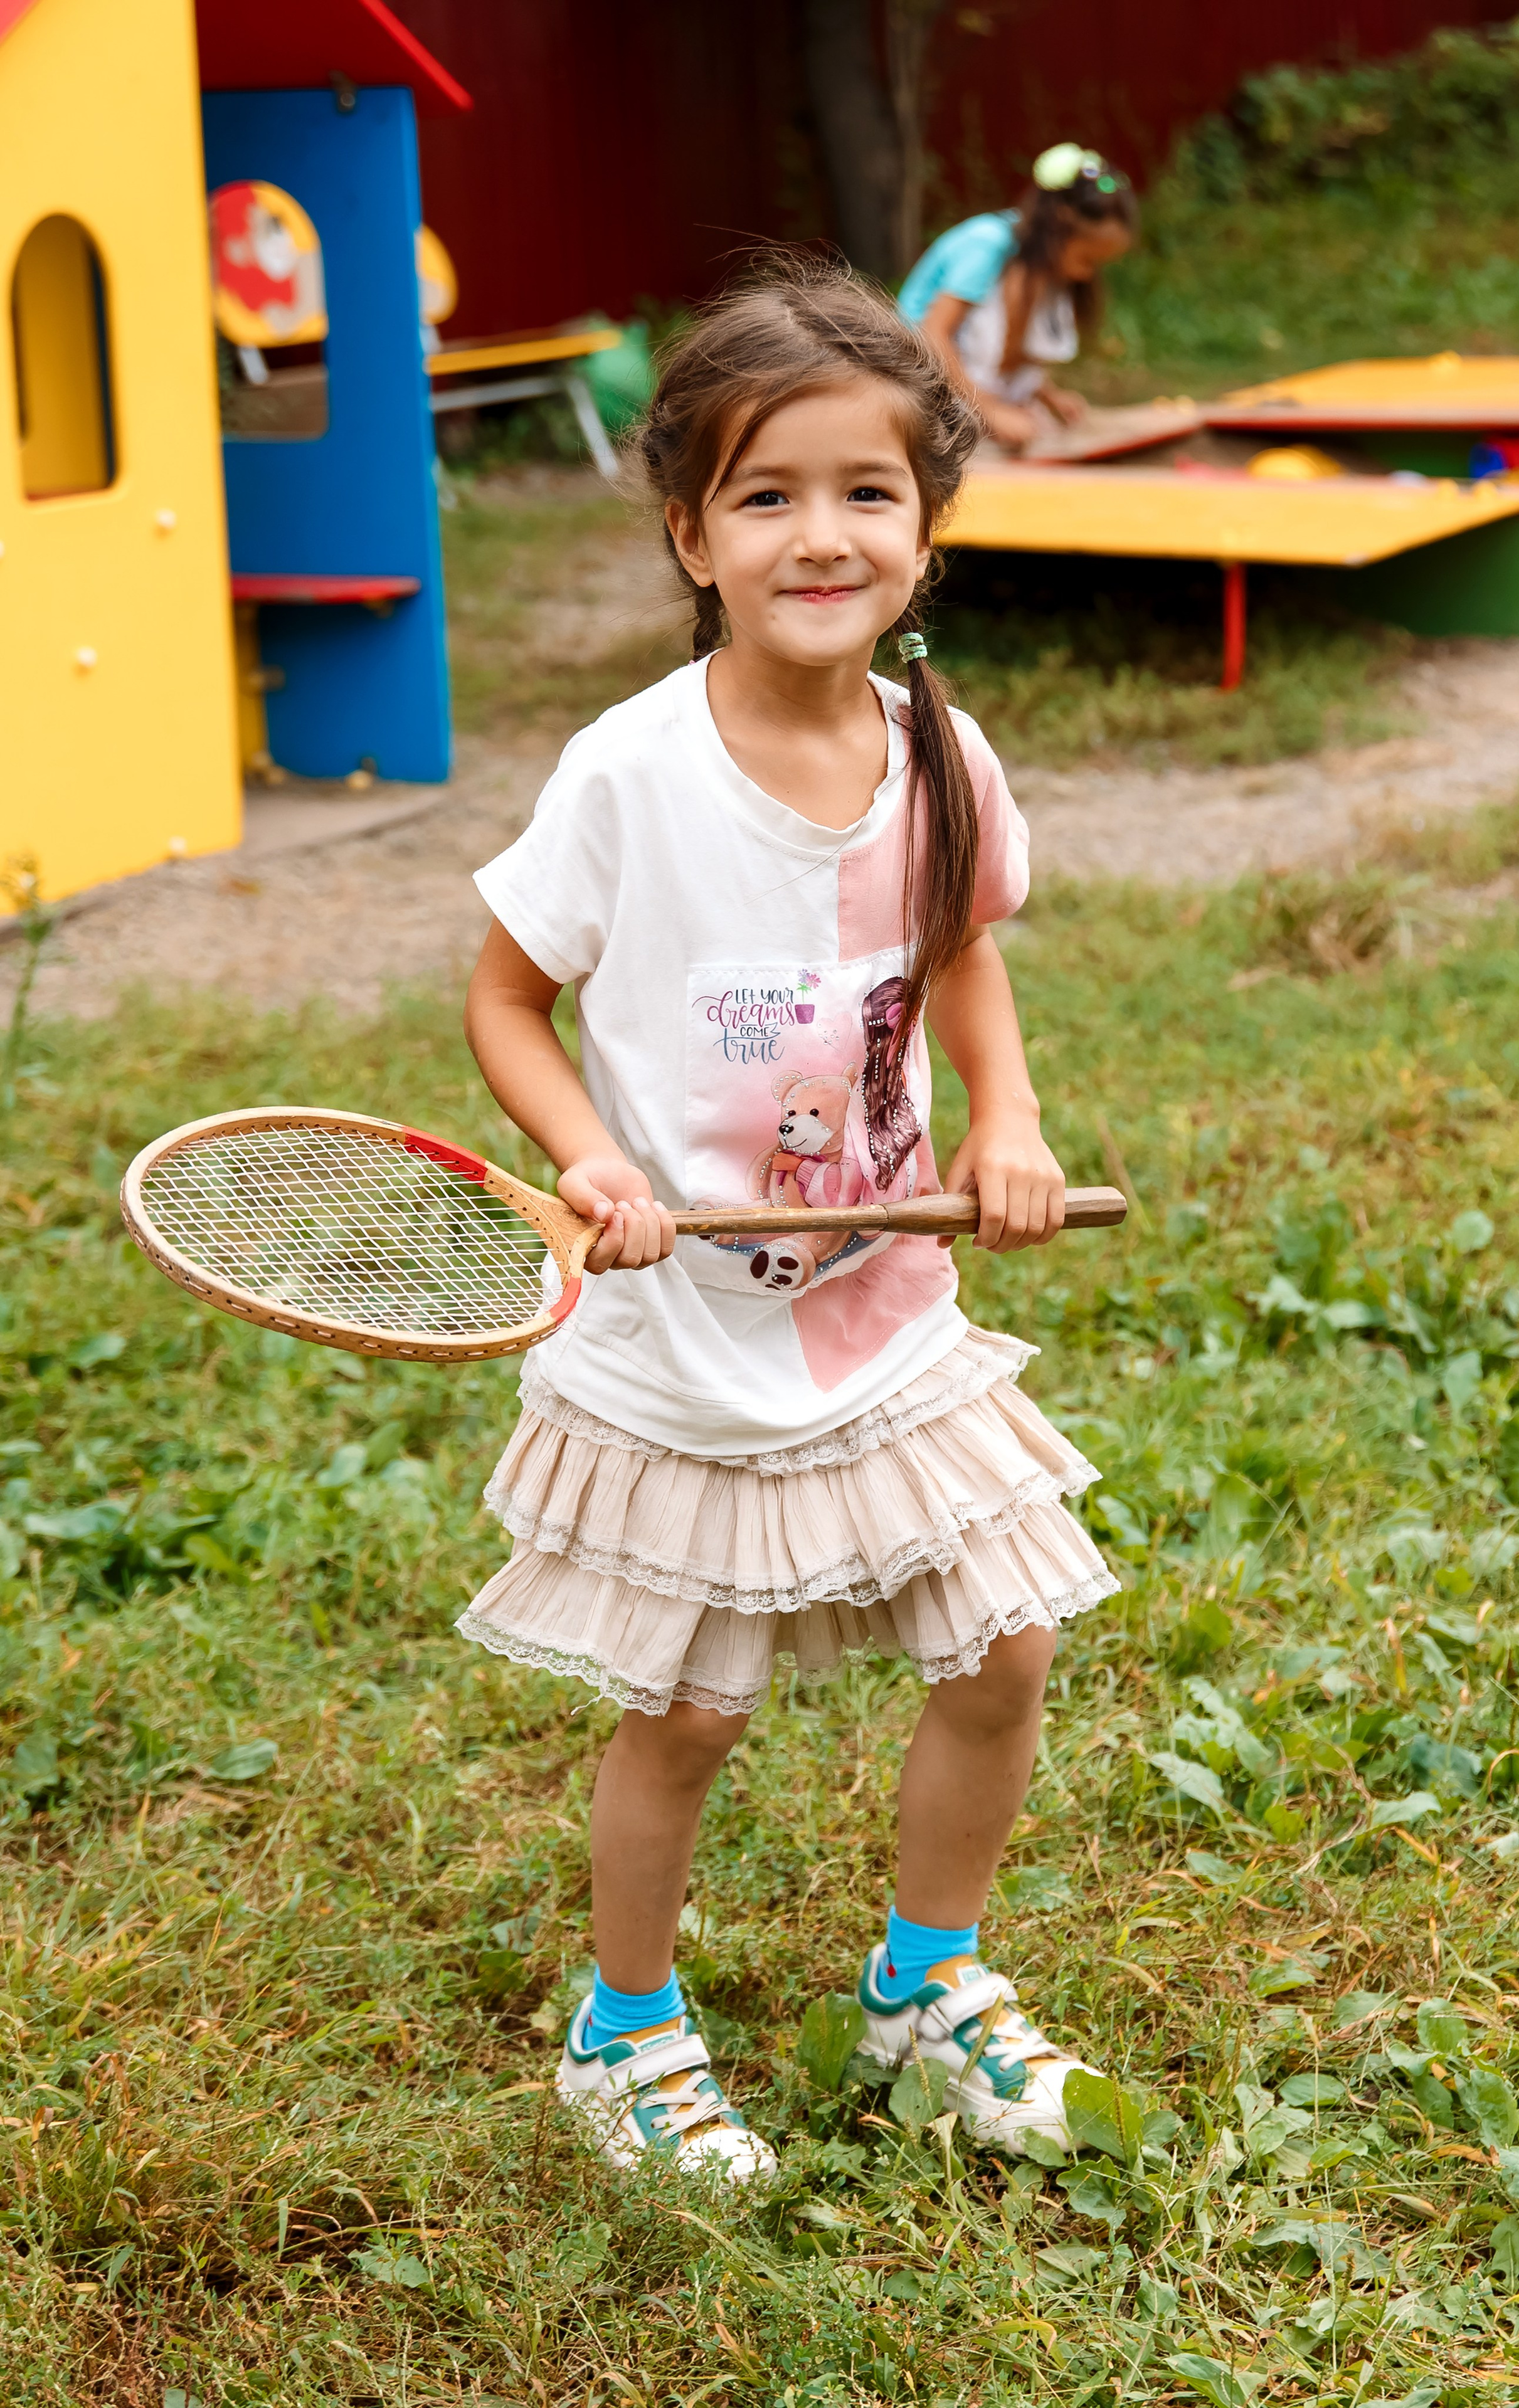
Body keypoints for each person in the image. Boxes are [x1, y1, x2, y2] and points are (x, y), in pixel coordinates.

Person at [458, 256, 1118, 2183]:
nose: (817, 533)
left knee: (1001, 1648)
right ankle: (627, 2030)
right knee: (686, 1711)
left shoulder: (938, 748)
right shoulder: (627, 772)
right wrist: (590, 1157)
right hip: (680, 1340)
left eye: (864, 493)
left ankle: (924, 1989)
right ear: (689, 533)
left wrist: (1006, 1113)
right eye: (764, 494)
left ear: (924, 531)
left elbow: (957, 949)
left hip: (880, 1309)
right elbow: (507, 996)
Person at [899, 142, 1137, 452]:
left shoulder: (1032, 263)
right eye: (1087, 260)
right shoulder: (988, 245)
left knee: (1036, 433)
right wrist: (989, 411)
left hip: (962, 387)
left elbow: (1008, 350)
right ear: (1059, 226)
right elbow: (932, 336)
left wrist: (1048, 394)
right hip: (914, 378)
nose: (1086, 275)